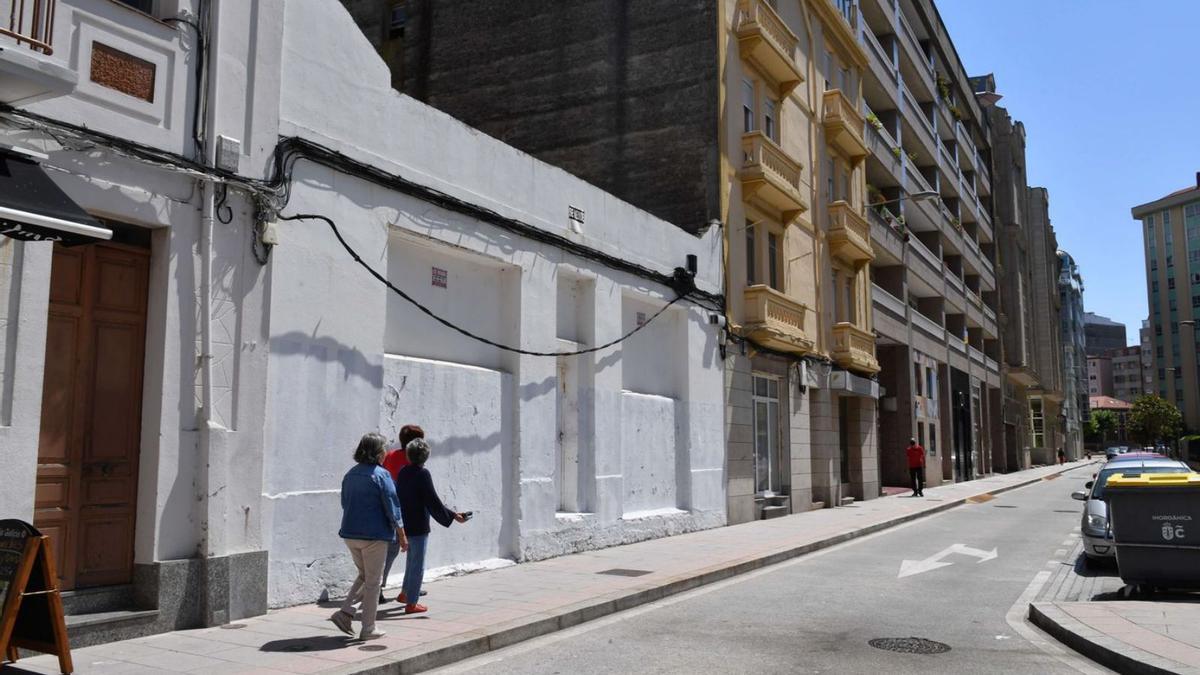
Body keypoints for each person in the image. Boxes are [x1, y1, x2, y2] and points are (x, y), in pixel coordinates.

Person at [329, 433, 406, 641]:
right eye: (384, 449)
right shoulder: (382, 475)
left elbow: (345, 503)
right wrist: (401, 534)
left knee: (365, 576)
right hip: (374, 535)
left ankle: (345, 613)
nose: (386, 453)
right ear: (378, 452)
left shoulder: (351, 474)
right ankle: (368, 627)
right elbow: (392, 506)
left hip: (351, 533)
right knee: (373, 582)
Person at [396, 437, 469, 614]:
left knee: (411, 561)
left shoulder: (403, 471)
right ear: (425, 456)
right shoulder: (423, 474)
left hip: (405, 522)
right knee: (418, 564)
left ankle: (405, 593)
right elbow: (432, 500)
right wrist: (453, 516)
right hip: (419, 523)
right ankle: (412, 602)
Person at [379, 424, 424, 604]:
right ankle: (403, 589)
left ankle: (387, 588)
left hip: (388, 507)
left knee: (390, 551)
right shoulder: (413, 460)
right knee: (403, 551)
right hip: (405, 511)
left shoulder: (390, 456)